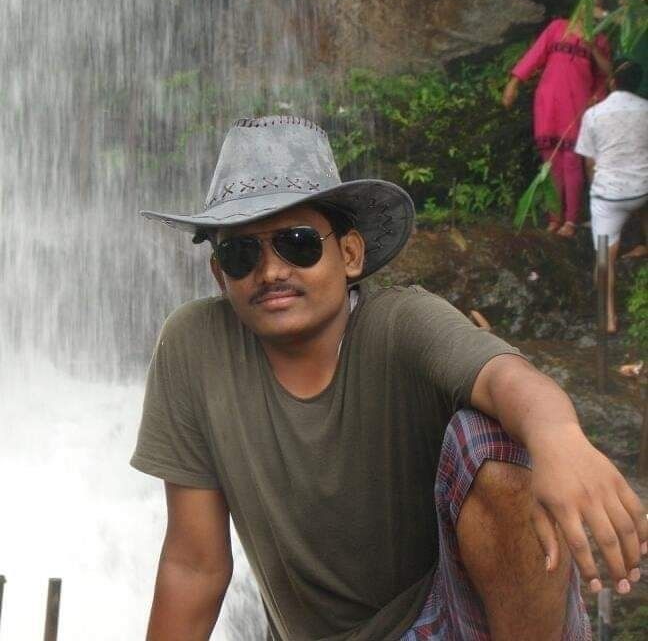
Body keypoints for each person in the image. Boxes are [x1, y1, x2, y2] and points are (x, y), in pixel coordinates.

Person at [132, 116, 647, 641]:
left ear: (349, 254)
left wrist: (560, 440)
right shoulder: (195, 346)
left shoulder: (401, 321)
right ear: (220, 275)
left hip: (450, 617)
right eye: (241, 254)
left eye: (298, 243)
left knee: (491, 440)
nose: (271, 272)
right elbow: (195, 564)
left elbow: (507, 380)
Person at [503, 4, 611, 238]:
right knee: (550, 161)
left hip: (577, 103)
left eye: (598, 8)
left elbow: (605, 76)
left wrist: (597, 98)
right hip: (548, 100)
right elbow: (534, 55)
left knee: (572, 160)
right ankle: (555, 217)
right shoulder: (557, 27)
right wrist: (514, 83)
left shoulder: (600, 39)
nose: (593, 12)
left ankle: (571, 219)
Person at [575, 60, 648, 333]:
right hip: (643, 189)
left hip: (610, 197)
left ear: (612, 81)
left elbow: (589, 163)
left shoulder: (594, 114)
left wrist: (596, 190)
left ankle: (608, 316)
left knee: (605, 259)